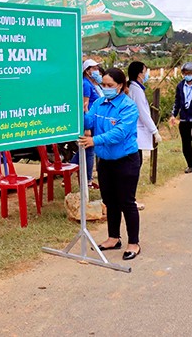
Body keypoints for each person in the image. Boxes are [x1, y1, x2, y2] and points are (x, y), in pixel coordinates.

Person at [79, 67, 141, 260]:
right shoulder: (99, 103)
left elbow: (120, 133)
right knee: (110, 201)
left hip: (126, 161)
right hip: (105, 161)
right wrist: (77, 113)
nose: (106, 88)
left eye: (110, 85)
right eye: (103, 85)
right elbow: (88, 122)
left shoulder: (128, 107)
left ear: (120, 86)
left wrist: (94, 141)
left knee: (127, 202)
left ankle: (134, 243)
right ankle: (113, 238)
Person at [127, 62, 161, 210]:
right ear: (140, 74)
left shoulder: (135, 88)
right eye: (145, 72)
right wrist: (155, 131)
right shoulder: (136, 90)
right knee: (134, 167)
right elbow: (144, 114)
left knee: (134, 165)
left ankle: (129, 198)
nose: (146, 74)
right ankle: (130, 199)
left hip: (135, 133)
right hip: (136, 134)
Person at [72, 58, 103, 188]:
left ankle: (68, 170)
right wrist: (87, 127)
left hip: (94, 120)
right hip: (89, 121)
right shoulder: (85, 84)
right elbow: (85, 106)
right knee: (89, 151)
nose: (97, 71)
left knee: (86, 150)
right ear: (87, 70)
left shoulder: (93, 84)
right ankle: (88, 180)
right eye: (94, 68)